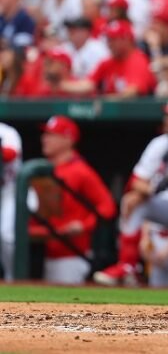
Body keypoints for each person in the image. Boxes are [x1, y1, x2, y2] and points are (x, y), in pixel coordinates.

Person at [93, 98, 168, 286]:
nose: (167, 119)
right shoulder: (160, 143)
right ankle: (128, 265)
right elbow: (138, 181)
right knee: (134, 201)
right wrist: (152, 189)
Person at [30, 116, 115, 284]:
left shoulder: (80, 171)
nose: (45, 139)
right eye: (45, 134)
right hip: (46, 251)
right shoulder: (42, 170)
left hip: (73, 255)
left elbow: (108, 207)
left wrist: (84, 225)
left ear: (68, 139)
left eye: (52, 135)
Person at [0, 121, 22, 280]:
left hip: (9, 192)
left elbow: (10, 154)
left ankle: (13, 278)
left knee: (6, 234)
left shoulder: (7, 132)